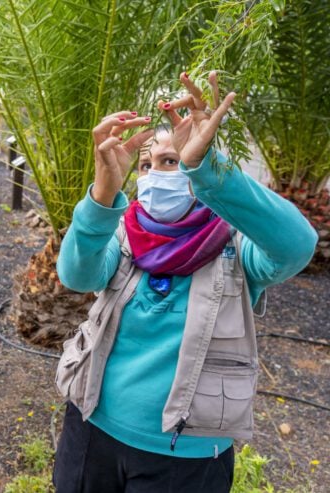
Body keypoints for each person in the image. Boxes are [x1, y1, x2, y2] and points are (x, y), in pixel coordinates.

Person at [52, 71, 318, 493]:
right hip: (91, 425)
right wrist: (102, 197)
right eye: (146, 164)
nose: (157, 173)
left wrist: (208, 171)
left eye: (172, 161)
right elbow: (77, 276)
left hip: (187, 455)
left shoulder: (236, 245)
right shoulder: (124, 230)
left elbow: (297, 245)